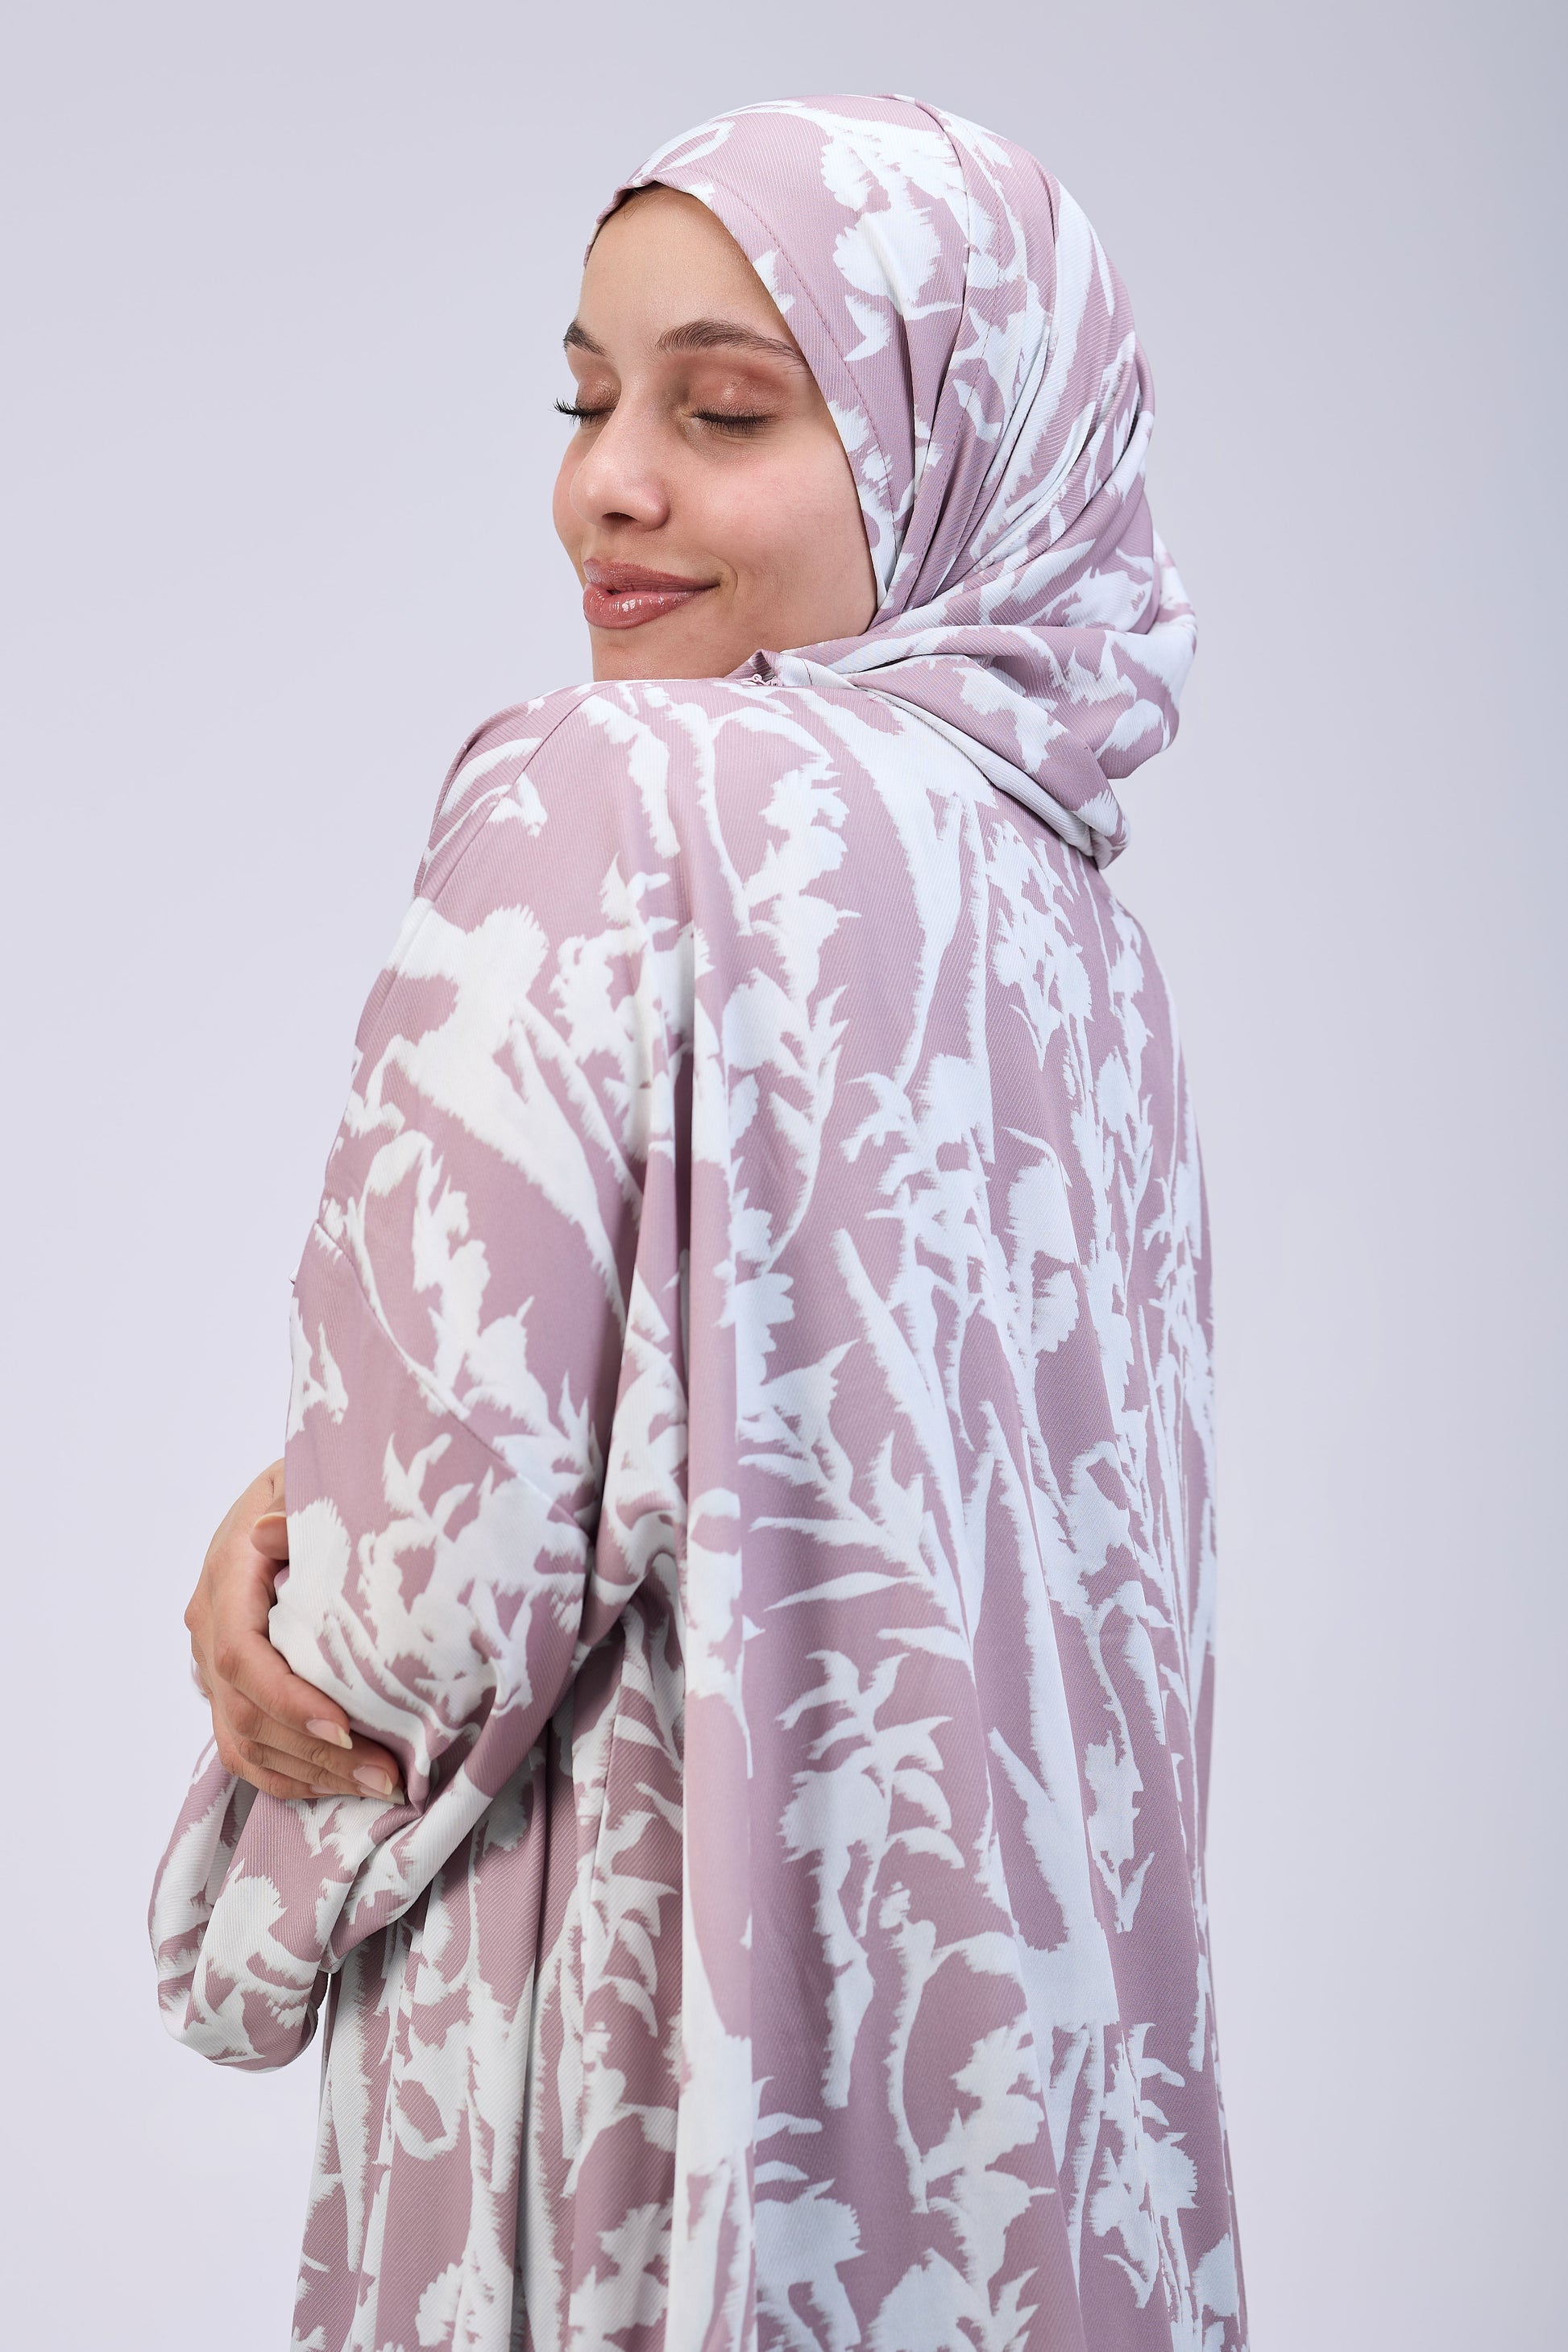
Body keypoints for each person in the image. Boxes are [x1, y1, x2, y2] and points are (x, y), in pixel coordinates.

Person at [152, 93, 1245, 2352]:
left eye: (724, 411)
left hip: (648, 2088)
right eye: (584, 404)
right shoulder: (1079, 940)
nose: (609, 486)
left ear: (948, 448)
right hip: (1028, 2154)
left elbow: (431, 1576)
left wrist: (241, 1872)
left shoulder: (612, 788)